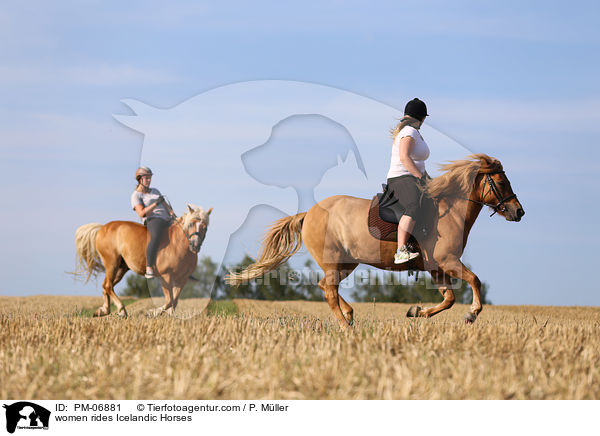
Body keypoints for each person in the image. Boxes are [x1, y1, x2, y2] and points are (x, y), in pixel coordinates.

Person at [387, 98, 430, 264]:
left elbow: (417, 161)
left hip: (412, 176)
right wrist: (420, 177)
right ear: (422, 118)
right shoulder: (409, 132)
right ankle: (401, 250)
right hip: (401, 178)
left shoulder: (412, 132)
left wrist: (427, 178)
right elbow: (405, 158)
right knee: (413, 206)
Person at [130, 167, 174, 278]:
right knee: (155, 237)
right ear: (140, 179)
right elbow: (142, 213)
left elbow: (165, 205)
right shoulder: (136, 196)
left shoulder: (155, 191)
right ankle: (149, 267)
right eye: (147, 178)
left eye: (150, 178)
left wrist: (172, 214)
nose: (149, 180)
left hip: (166, 218)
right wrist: (155, 204)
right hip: (153, 219)